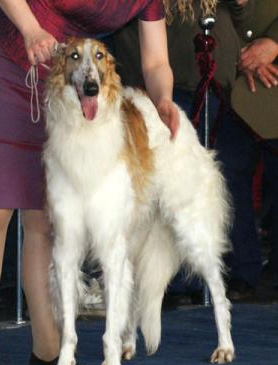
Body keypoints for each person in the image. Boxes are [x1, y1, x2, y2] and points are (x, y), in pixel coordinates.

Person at [0, 0, 179, 365]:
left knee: (46, 223)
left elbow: (155, 63)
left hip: (73, 98)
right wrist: (31, 28)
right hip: (9, 68)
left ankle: (48, 352)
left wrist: (163, 99)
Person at [112, 0, 262, 302]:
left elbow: (244, 13)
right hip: (154, 85)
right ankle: (174, 280)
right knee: (165, 184)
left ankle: (237, 271)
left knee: (228, 173)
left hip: (218, 81)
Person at [231, 0, 278, 292]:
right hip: (224, 81)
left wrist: (274, 43)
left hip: (273, 75)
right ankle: (240, 268)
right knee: (229, 171)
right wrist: (232, 56)